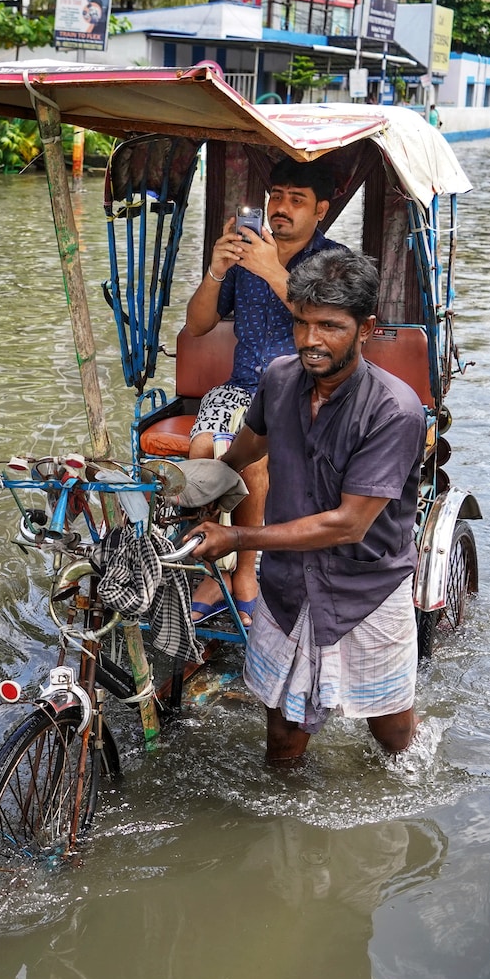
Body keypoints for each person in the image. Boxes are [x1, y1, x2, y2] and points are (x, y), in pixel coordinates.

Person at [186, 247, 427, 764]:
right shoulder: (278, 378)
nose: (311, 341)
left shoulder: (395, 410)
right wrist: (188, 492)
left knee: (392, 738)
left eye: (329, 326)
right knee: (281, 742)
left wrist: (237, 538)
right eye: (301, 323)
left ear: (366, 328)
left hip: (365, 589)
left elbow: (347, 525)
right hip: (288, 585)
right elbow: (246, 451)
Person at [181, 158, 344, 628]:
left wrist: (273, 269)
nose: (281, 208)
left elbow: (326, 322)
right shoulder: (242, 258)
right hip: (240, 388)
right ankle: (213, 570)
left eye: (297, 200)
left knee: (250, 454)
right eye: (276, 196)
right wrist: (216, 270)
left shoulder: (333, 262)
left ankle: (246, 571)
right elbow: (197, 326)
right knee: (203, 449)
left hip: (306, 390)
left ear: (321, 211)